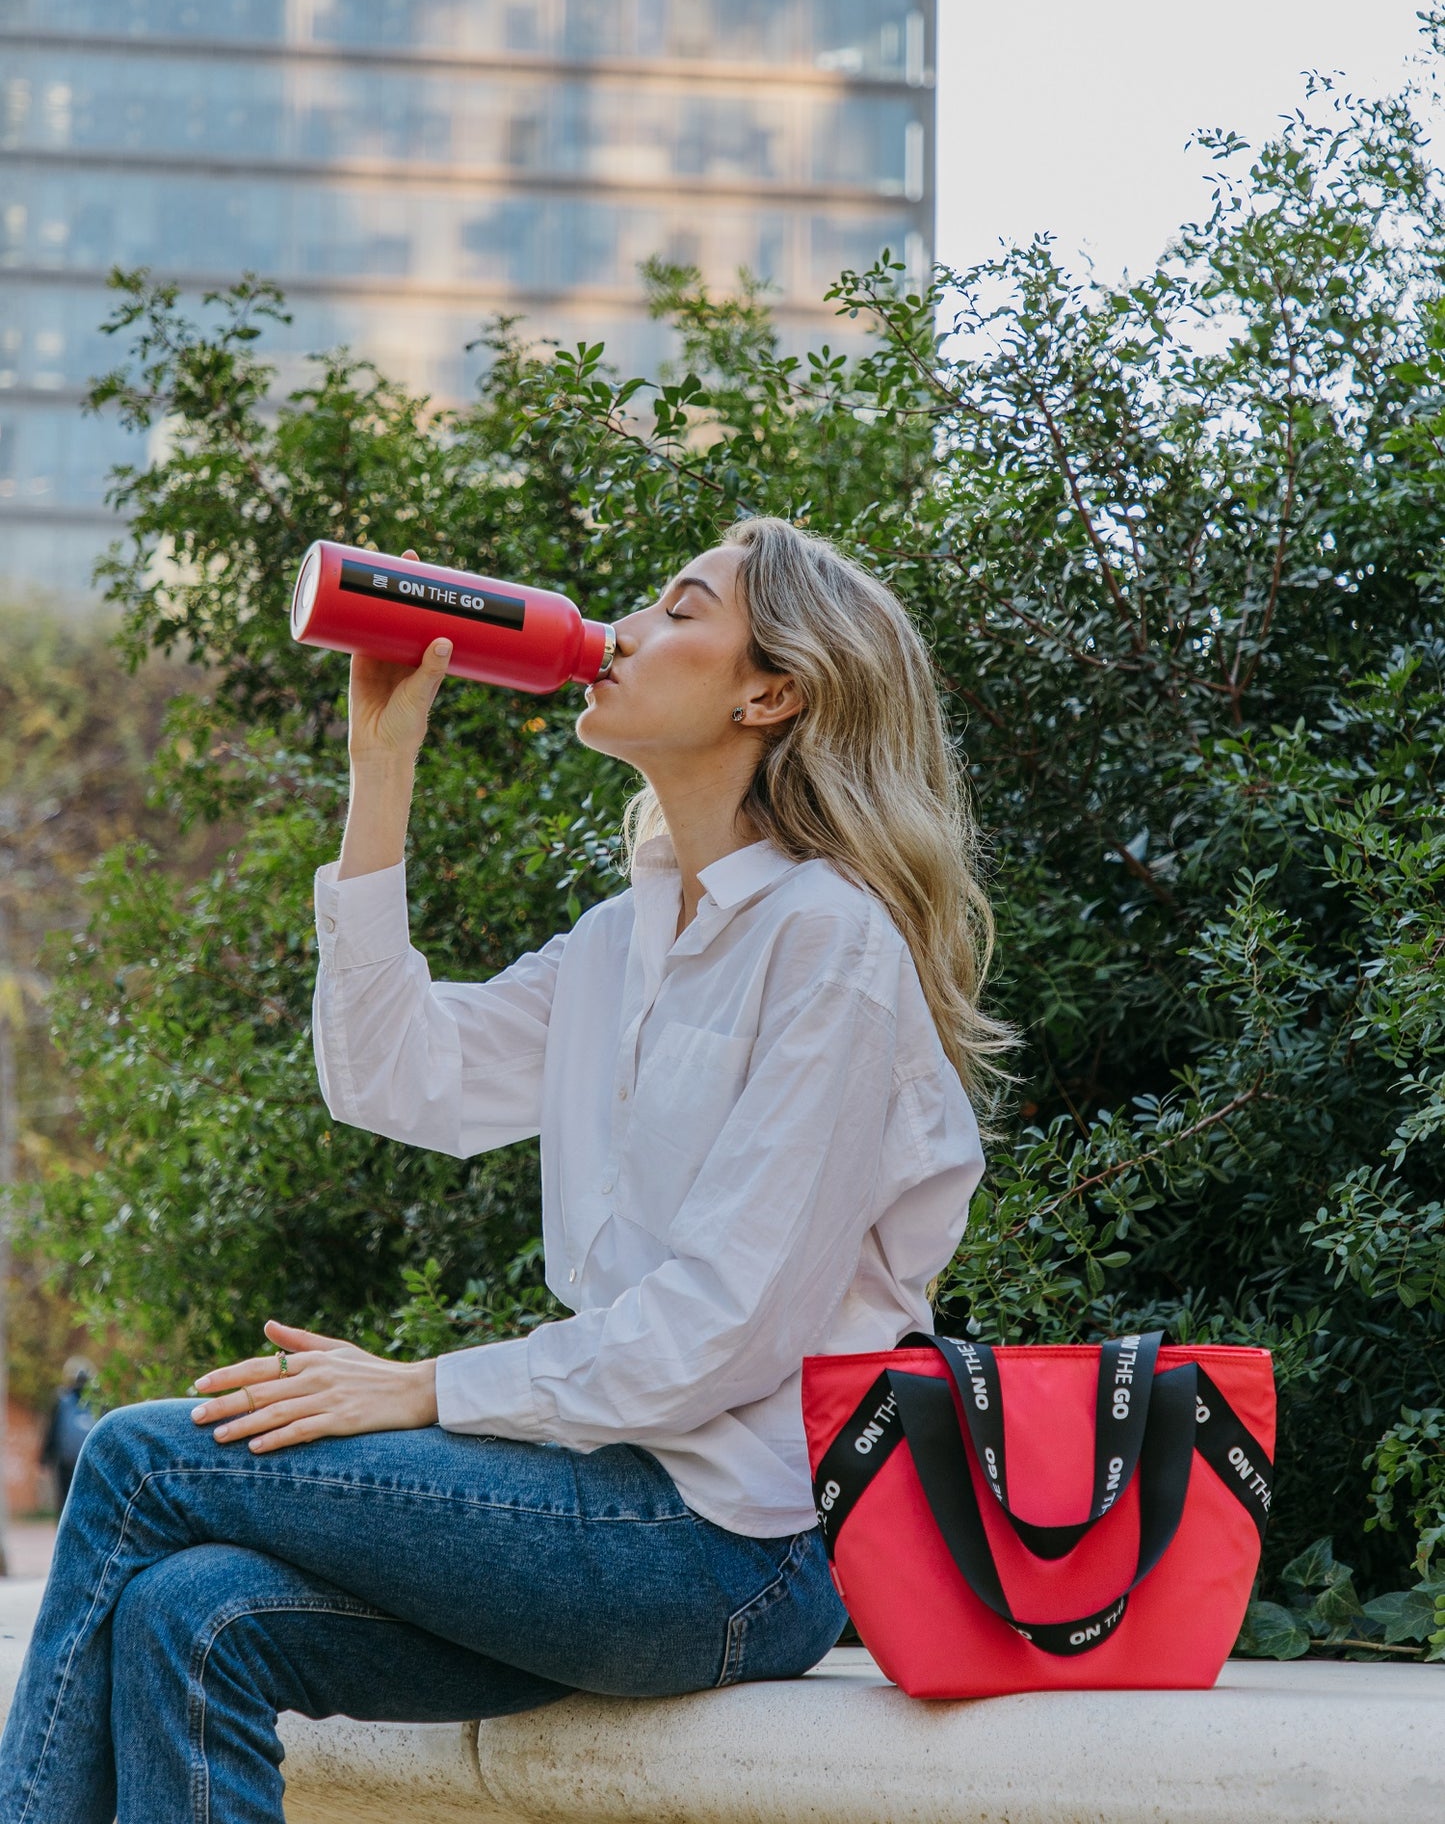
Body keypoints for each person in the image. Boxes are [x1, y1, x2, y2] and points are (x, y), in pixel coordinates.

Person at [0, 516, 1008, 1823]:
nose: (629, 629)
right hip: (600, 1514)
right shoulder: (620, 943)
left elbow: (729, 1327)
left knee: (142, 1458)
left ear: (773, 690)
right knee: (188, 1615)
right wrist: (381, 766)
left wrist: (420, 1390)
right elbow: (395, 1074)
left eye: (679, 607)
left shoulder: (831, 949)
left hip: (730, 1553)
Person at [38, 1358, 97, 1511]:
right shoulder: (93, 1401)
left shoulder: (64, 1400)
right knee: (80, 1500)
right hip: (80, 1461)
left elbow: (52, 1429)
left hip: (74, 1463)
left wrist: (45, 1457)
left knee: (69, 1502)